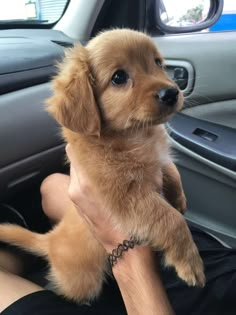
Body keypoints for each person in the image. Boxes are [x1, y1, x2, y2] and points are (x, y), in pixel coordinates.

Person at [0, 144, 236, 315]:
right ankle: (34, 255)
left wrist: (123, 246)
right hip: (221, 277)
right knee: (52, 186)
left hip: (152, 300)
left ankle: (24, 259)